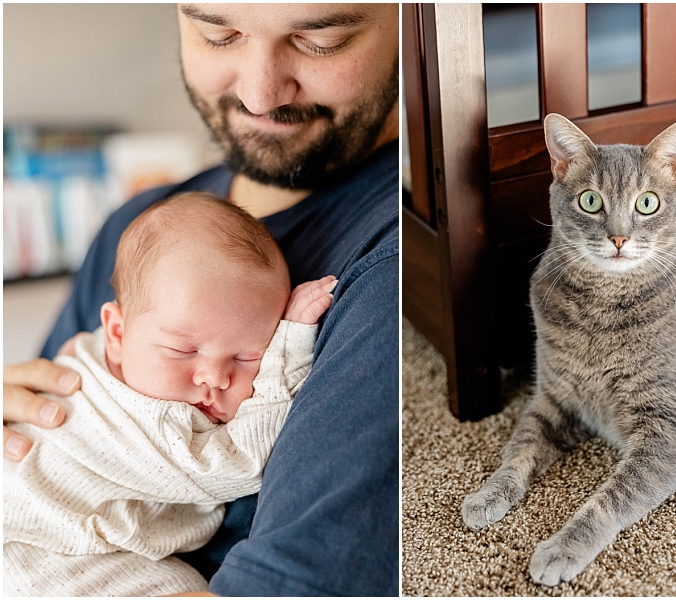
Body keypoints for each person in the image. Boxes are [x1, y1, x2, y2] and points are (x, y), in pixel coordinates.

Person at [3, 3, 399, 597]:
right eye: (219, 34)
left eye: (322, 41)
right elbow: (39, 412)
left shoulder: (389, 265)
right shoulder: (131, 226)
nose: (261, 93)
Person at [5, 193, 337, 597]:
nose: (214, 377)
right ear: (116, 333)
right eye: (183, 351)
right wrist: (288, 346)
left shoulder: (95, 351)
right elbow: (242, 465)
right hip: (46, 551)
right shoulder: (156, 419)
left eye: (250, 357)